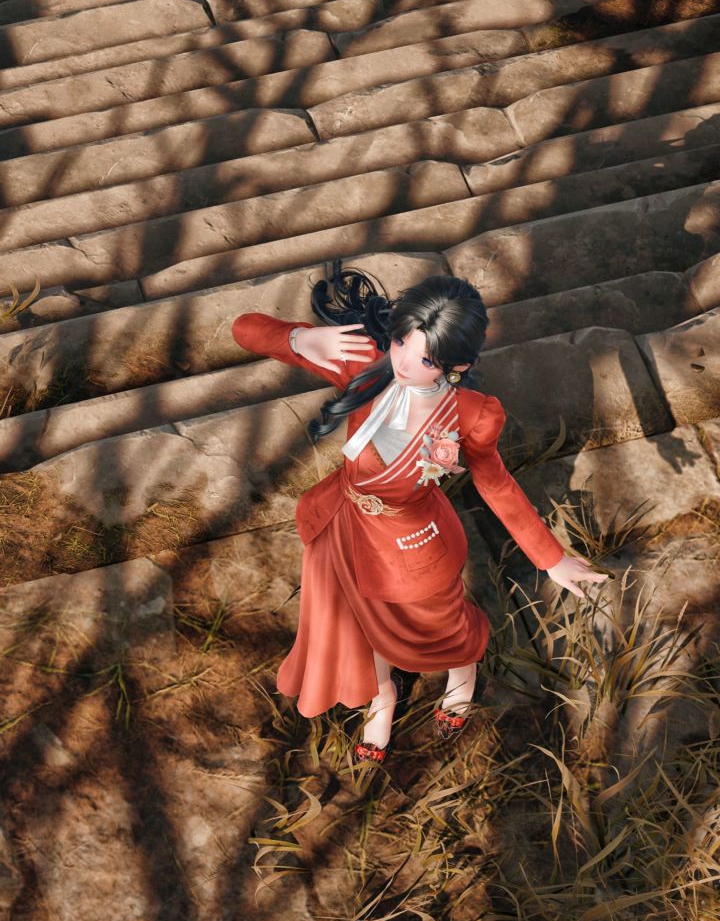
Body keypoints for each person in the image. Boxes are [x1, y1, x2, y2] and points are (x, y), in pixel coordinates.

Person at [232, 264, 607, 763]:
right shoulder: (368, 366)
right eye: (400, 342)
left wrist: (550, 558)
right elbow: (244, 329)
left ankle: (462, 673)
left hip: (414, 541)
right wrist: (302, 339)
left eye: (426, 357)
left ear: (455, 364)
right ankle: (382, 695)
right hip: (346, 527)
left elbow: (495, 483)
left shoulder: (472, 412)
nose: (405, 362)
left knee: (441, 623)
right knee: (360, 619)